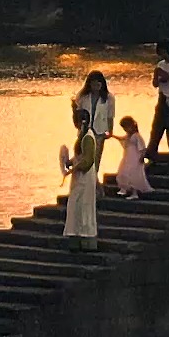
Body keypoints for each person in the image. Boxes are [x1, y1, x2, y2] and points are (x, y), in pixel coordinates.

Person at [63, 107, 98, 252]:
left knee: (81, 206)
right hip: (81, 178)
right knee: (76, 206)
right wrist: (71, 162)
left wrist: (74, 168)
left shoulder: (88, 136)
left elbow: (88, 160)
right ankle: (76, 237)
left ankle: (84, 239)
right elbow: (81, 156)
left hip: (84, 178)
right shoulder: (82, 135)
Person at [73, 71, 114, 184]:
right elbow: (77, 114)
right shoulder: (82, 96)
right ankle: (88, 183)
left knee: (95, 159)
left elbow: (110, 116)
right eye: (93, 84)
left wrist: (110, 131)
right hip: (85, 131)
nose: (96, 87)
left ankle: (93, 185)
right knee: (83, 158)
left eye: (98, 84)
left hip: (99, 131)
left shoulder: (109, 98)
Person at [114, 116, 151, 198]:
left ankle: (134, 193)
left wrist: (142, 157)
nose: (125, 130)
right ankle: (124, 189)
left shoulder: (137, 136)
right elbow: (122, 139)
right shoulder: (128, 136)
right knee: (123, 171)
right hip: (128, 157)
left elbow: (142, 148)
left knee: (133, 174)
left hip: (135, 158)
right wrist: (113, 136)